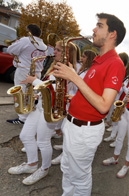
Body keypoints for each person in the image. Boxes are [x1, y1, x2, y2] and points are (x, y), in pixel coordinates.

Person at [52, 13, 126, 195]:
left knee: (80, 177)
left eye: (99, 26)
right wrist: (74, 98)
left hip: (85, 131)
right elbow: (91, 92)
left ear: (112, 34)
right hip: (73, 125)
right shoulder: (98, 61)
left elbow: (103, 106)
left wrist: (74, 78)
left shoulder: (115, 64)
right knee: (67, 169)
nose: (94, 29)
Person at [7, 40, 78, 185]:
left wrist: (33, 81)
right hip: (41, 106)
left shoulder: (68, 70)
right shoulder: (56, 66)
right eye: (56, 49)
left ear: (66, 54)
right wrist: (37, 94)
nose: (55, 52)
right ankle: (31, 165)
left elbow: (53, 89)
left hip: (51, 110)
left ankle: (44, 169)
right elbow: (49, 88)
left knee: (43, 141)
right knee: (25, 135)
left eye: (58, 50)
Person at [51, 49, 97, 165]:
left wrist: (73, 94)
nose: (81, 59)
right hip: (72, 99)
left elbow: (84, 88)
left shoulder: (89, 71)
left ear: (89, 59)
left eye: (84, 57)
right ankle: (65, 146)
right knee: (65, 128)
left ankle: (64, 154)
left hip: (76, 101)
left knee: (68, 129)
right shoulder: (83, 69)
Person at [6, 24, 47, 124]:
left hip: (24, 71)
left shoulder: (26, 40)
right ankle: (28, 115)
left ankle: (22, 118)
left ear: (29, 31)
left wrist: (16, 43)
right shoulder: (44, 45)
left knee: (21, 93)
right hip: (37, 73)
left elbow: (10, 50)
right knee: (32, 95)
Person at [104, 67, 129, 148]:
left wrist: (123, 86)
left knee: (120, 124)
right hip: (119, 101)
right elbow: (120, 91)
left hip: (125, 105)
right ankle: (112, 136)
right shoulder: (127, 80)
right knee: (115, 119)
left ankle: (117, 140)